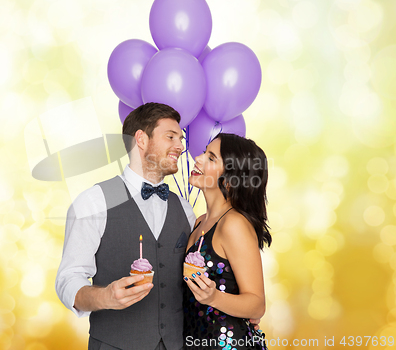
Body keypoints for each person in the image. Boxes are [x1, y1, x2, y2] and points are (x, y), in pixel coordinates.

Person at [55, 102, 196, 350]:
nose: (181, 146)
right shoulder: (93, 201)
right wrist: (105, 296)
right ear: (141, 139)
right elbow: (68, 279)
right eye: (171, 137)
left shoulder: (184, 209)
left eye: (181, 139)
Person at [183, 133, 271, 350]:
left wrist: (213, 297)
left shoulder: (233, 223)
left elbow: (256, 304)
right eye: (205, 152)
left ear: (231, 180)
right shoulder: (200, 222)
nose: (198, 158)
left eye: (211, 158)